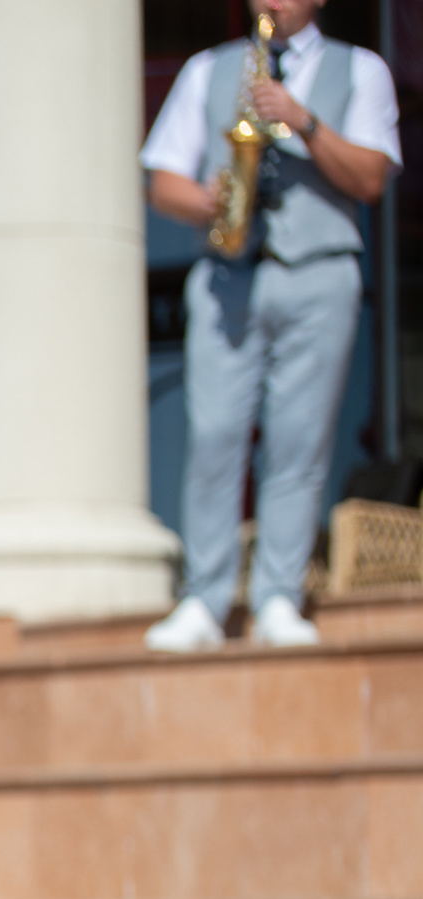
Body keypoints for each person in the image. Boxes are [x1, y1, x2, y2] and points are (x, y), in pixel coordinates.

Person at [142, 0, 400, 653]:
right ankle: (204, 597)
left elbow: (371, 178)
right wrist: (207, 200)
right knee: (215, 436)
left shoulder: (361, 69)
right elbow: (161, 180)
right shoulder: (209, 69)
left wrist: (303, 120)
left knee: (299, 440)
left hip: (320, 272)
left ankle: (279, 596)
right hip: (229, 272)